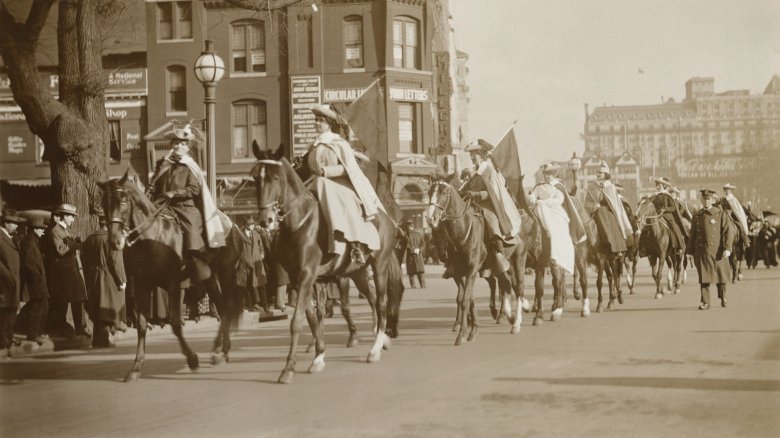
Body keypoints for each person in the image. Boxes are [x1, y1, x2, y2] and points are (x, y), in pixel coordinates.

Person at [307, 104, 384, 265]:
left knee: (329, 190)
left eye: (321, 120)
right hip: (316, 184)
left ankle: (354, 245)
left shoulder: (339, 144)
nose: (317, 123)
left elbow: (348, 168)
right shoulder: (314, 146)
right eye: (316, 120)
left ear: (329, 123)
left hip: (338, 184)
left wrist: (326, 171)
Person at [148, 125, 226, 283]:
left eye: (183, 143)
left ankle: (194, 259)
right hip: (163, 206)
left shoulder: (190, 165)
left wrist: (175, 193)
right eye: (176, 143)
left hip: (185, 207)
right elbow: (155, 187)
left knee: (190, 228)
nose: (178, 146)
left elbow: (194, 189)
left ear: (187, 147)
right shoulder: (162, 164)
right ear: (171, 145)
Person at [460, 139, 523, 274]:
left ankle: (499, 253)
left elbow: (492, 193)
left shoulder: (489, 171)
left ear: (481, 155)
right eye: (470, 154)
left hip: (487, 206)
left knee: (491, 222)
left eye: (473, 154)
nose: (471, 157)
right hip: (471, 205)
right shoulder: (474, 172)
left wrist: (475, 194)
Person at [528, 163, 587, 275]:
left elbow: (558, 201)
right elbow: (533, 197)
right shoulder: (539, 186)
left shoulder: (559, 186)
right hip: (539, 209)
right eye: (545, 174)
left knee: (543, 208)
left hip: (555, 211)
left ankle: (555, 241)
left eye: (549, 174)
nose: (547, 176)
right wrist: (532, 199)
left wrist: (543, 202)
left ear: (554, 174)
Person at [43, 204, 90, 338]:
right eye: (71, 217)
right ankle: (61, 328)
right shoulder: (55, 231)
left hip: (73, 272)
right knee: (63, 303)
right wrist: (75, 244)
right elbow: (61, 250)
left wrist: (75, 243)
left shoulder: (66, 231)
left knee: (77, 301)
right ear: (64, 216)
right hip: (63, 274)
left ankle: (80, 328)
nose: (73, 220)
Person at [82, 212, 127, 348]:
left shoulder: (90, 238)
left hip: (94, 276)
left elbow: (84, 260)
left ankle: (97, 339)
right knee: (107, 308)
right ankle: (103, 340)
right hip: (108, 277)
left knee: (97, 308)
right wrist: (121, 280)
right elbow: (115, 262)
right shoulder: (112, 239)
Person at [687, 189, 734, 309]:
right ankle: (705, 302)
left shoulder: (720, 213)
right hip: (702, 251)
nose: (706, 201)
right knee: (704, 277)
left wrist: (727, 248)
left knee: (721, 275)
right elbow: (692, 234)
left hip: (718, 251)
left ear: (713, 200)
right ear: (701, 200)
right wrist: (689, 251)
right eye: (704, 199)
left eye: (709, 199)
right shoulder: (697, 215)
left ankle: (723, 297)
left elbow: (727, 232)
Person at [18, 215, 49, 345]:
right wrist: (37, 276)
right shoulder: (29, 242)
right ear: (34, 229)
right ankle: (33, 334)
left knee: (42, 307)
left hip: (38, 281)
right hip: (34, 283)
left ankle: (37, 333)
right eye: (41, 228)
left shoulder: (33, 241)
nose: (43, 231)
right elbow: (29, 263)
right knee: (36, 308)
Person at [592, 161, 632, 254]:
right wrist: (595, 205)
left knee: (603, 213)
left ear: (605, 174)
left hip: (608, 211)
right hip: (596, 209)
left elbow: (613, 203)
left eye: (600, 173)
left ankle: (616, 245)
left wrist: (601, 206)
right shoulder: (595, 186)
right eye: (597, 173)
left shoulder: (610, 187)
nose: (598, 174)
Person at [0, 213, 24, 357]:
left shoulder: (10, 238)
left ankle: (7, 340)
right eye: (13, 223)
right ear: (6, 223)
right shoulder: (1, 237)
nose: (15, 226)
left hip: (13, 282)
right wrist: (8, 276)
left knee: (10, 312)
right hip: (4, 283)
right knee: (5, 313)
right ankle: (3, 341)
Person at [237, 216, 267, 312]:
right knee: (246, 285)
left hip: (256, 262)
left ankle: (261, 304)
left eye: (253, 224)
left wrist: (262, 254)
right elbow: (238, 250)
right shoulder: (240, 235)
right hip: (245, 264)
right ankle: (248, 305)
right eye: (250, 224)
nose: (252, 225)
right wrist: (244, 261)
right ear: (245, 225)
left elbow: (261, 246)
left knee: (259, 284)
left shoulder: (256, 234)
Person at [651, 177, 688, 254]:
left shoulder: (667, 195)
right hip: (656, 216)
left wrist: (665, 209)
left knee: (674, 227)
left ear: (664, 186)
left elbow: (673, 208)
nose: (657, 187)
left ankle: (679, 246)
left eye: (659, 185)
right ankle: (645, 247)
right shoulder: (654, 196)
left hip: (667, 216)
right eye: (657, 185)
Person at [720, 183, 750, 251]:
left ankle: (745, 239)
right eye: (724, 189)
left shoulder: (732, 199)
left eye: (727, 189)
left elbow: (736, 210)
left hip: (733, 216)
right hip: (724, 215)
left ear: (730, 190)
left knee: (739, 224)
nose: (725, 191)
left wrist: (729, 213)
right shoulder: (723, 199)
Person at [403, 220, 426, 288]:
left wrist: (414, 249)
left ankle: (413, 286)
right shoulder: (418, 234)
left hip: (410, 255)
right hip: (418, 255)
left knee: (411, 273)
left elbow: (407, 245)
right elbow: (423, 244)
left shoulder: (405, 235)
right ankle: (423, 286)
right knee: (420, 271)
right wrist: (419, 249)